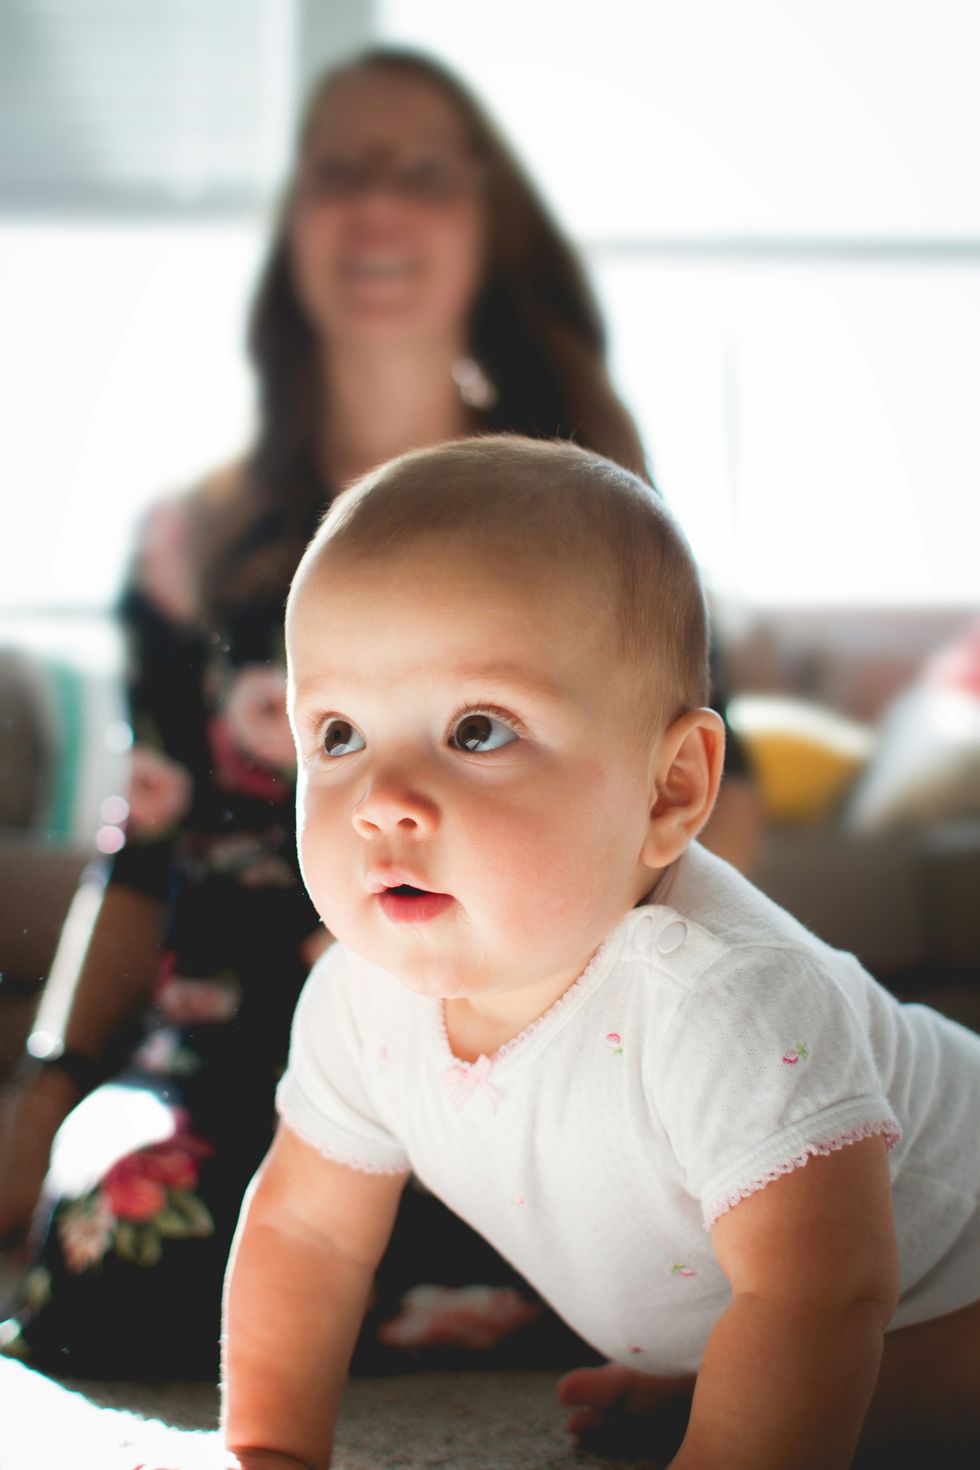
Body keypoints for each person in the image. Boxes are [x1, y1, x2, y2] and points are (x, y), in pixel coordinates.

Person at [0, 48, 757, 1378]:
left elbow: (702, 803)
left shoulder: (597, 514)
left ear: (488, 221)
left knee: (698, 1260)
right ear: (293, 227)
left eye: (422, 171)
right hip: (239, 1055)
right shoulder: (196, 541)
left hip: (531, 1035)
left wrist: (623, 1040)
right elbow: (144, 851)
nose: (377, 205)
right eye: (339, 171)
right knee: (118, 1258)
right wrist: (50, 1084)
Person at [177, 436, 980, 1470]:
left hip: (948, 1279)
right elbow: (309, 1236)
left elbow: (819, 1296)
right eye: (336, 735)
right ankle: (703, 1393)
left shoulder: (721, 1000)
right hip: (845, 1305)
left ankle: (708, 1402)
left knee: (919, 1398)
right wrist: (269, 1450)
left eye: (474, 730)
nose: (380, 802)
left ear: (668, 790)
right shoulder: (357, 996)